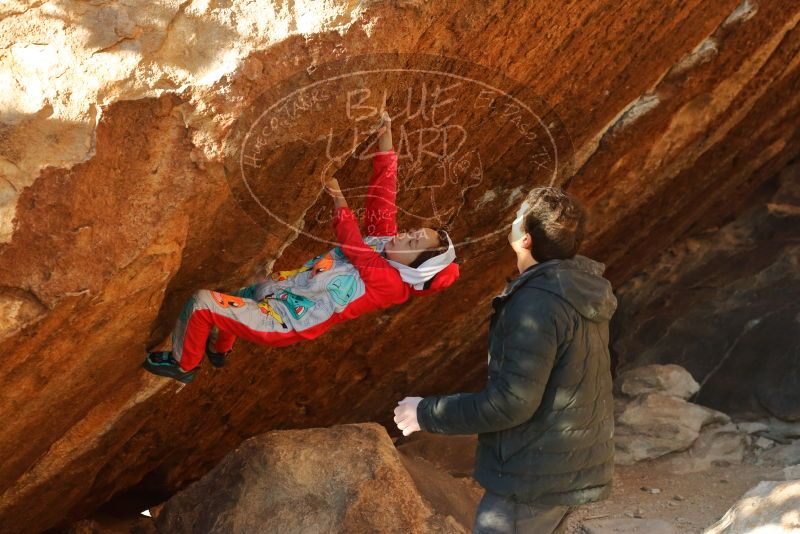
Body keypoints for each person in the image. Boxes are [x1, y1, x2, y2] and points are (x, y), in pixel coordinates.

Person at [143, 112, 460, 383]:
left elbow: (353, 246)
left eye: (413, 241)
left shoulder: (390, 285)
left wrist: (339, 199)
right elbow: (383, 196)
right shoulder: (385, 243)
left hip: (282, 321)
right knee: (241, 295)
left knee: (202, 303)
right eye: (413, 231)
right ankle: (220, 350)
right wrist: (386, 143)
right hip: (278, 292)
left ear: (414, 268)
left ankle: (183, 364)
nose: (405, 234)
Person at [393, 188, 617, 534]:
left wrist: (424, 412)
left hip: (533, 475)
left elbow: (510, 403)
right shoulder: (579, 288)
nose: (509, 222)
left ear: (525, 240)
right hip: (571, 465)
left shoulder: (537, 303)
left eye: (516, 218)